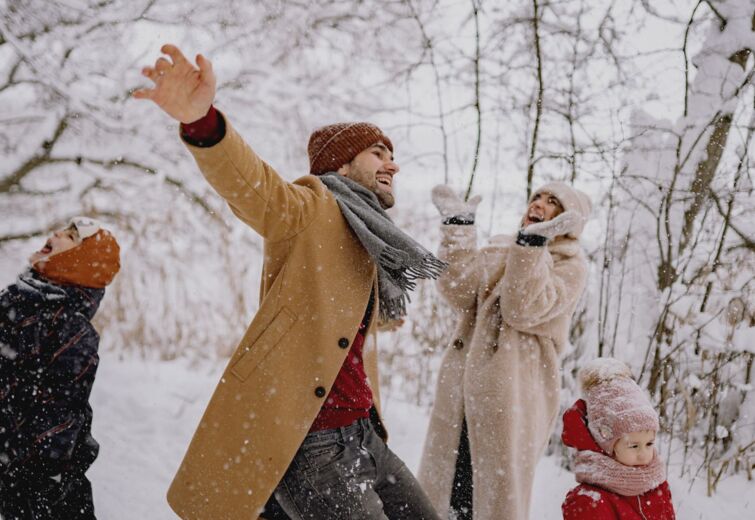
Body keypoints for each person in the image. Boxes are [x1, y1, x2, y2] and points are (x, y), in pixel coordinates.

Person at [134, 44, 445, 520]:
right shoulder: (311, 207)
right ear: (341, 165)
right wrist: (203, 124)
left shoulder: (368, 238)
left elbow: (332, 324)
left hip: (362, 432)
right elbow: (254, 187)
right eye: (378, 152)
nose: (392, 164)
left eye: (393, 155)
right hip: (313, 440)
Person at [417, 182, 591, 519]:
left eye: (552, 201)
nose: (539, 204)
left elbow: (521, 308)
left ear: (569, 220)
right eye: (536, 197)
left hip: (513, 395)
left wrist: (533, 246)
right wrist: (459, 229)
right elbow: (457, 289)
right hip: (462, 391)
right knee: (447, 490)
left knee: (493, 496)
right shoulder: (503, 247)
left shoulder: (571, 266)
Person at [0, 217, 120, 520]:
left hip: (32, 477)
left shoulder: (71, 329)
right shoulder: (16, 299)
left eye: (70, 236)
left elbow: (59, 414)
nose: (55, 233)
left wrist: (41, 479)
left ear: (79, 260)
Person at [561, 357, 676, 519]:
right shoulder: (590, 501)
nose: (643, 454)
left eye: (649, 443)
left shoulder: (656, 485)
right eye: (634, 446)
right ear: (608, 445)